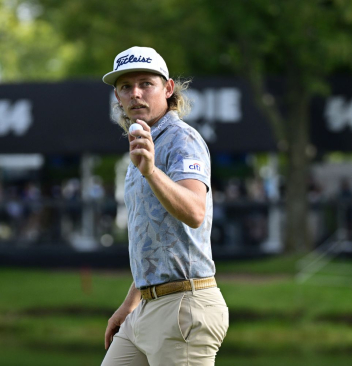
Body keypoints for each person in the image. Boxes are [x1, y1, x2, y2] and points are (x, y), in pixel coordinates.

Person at [101, 46, 229, 366]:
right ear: (117, 96)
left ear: (168, 89)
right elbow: (156, 242)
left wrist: (151, 171)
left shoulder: (181, 140)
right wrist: (130, 304)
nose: (135, 94)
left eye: (146, 83)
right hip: (146, 306)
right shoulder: (144, 144)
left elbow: (195, 212)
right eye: (125, 87)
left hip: (184, 305)